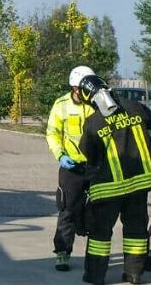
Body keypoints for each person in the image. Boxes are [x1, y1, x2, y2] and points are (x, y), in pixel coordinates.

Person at [77, 73, 151, 285]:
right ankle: (134, 274)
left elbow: (87, 152)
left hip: (108, 188)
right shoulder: (135, 107)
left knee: (100, 234)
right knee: (136, 230)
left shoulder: (93, 122)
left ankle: (95, 276)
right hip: (140, 183)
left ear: (90, 99)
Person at [45, 65, 97, 271]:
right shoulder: (62, 105)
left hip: (95, 166)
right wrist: (60, 155)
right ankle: (62, 252)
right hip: (71, 167)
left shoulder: (98, 104)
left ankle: (96, 257)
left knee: (98, 211)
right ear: (75, 88)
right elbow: (52, 133)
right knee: (67, 210)